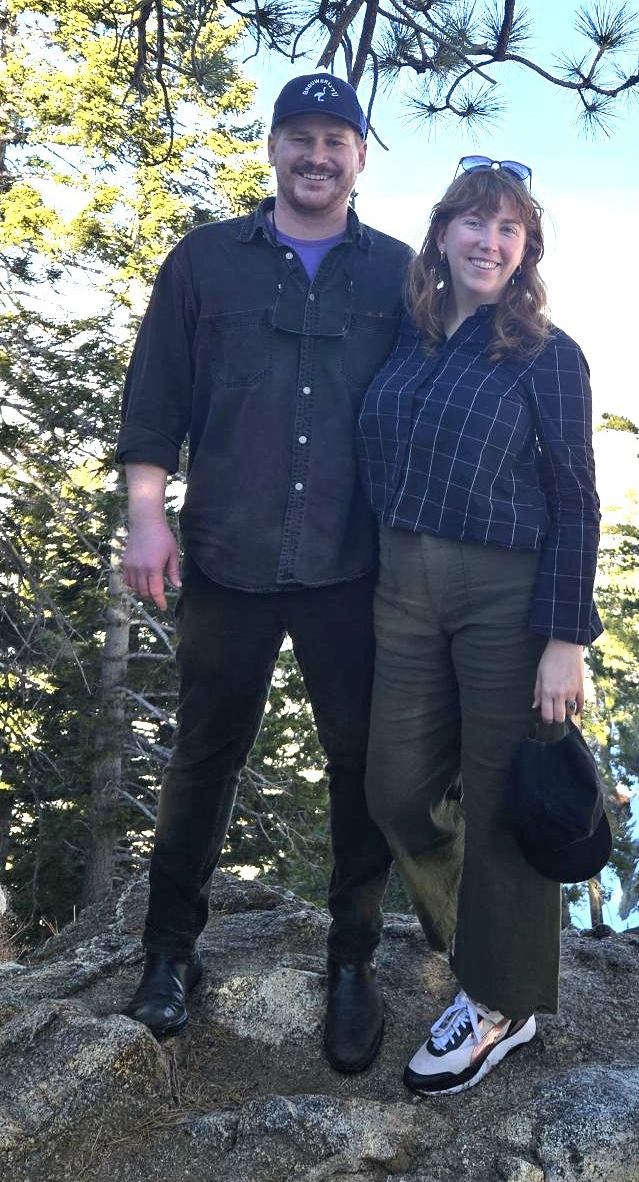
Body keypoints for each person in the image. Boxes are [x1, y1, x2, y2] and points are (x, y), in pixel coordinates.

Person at [116, 72, 413, 1074]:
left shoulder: (400, 277)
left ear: (361, 156)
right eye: (300, 137)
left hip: (350, 566)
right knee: (204, 756)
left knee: (360, 768)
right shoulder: (205, 263)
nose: (317, 155)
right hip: (228, 557)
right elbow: (155, 398)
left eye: (337, 138)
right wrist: (147, 519)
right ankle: (168, 954)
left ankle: (352, 967)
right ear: (274, 148)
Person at [356, 157, 602, 1095]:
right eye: (474, 223)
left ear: (526, 248)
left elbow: (576, 500)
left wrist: (565, 637)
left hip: (508, 592)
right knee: (399, 789)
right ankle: (480, 940)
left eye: (509, 230)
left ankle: (501, 1003)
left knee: (505, 797)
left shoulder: (548, 354)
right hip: (402, 583)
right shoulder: (408, 337)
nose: (490, 242)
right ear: (443, 233)